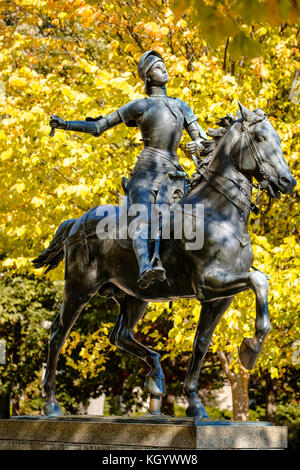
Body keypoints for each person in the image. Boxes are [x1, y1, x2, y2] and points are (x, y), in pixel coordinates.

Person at [50, 50, 207, 289]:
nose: (163, 69)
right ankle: (145, 267)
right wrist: (66, 125)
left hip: (175, 177)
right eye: (156, 67)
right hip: (145, 175)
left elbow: (203, 140)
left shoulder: (181, 106)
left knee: (196, 221)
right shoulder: (139, 106)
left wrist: (199, 145)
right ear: (147, 77)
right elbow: (98, 127)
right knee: (143, 217)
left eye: (164, 65)